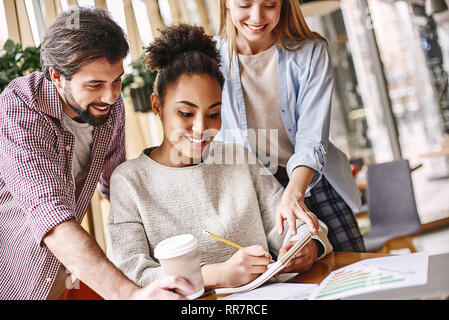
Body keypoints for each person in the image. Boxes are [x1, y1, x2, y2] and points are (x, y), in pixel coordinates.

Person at [106, 24, 333, 291]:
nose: (202, 128)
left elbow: (299, 227)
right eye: (186, 114)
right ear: (158, 106)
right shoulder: (130, 180)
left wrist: (306, 247)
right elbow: (128, 273)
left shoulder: (237, 158)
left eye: (213, 114)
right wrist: (216, 275)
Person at [0, 7, 193, 300]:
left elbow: (117, 187)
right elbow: (50, 214)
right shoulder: (19, 109)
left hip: (63, 279)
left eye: (116, 80)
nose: (111, 96)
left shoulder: (111, 109)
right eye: (95, 85)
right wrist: (129, 295)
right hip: (14, 279)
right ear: (56, 76)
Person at [216, 0, 366, 252]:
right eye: (245, 4)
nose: (257, 16)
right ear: (226, 3)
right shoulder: (208, 60)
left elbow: (312, 136)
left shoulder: (311, 53)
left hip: (312, 181)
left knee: (353, 271)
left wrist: (295, 193)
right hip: (258, 194)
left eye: (270, 5)